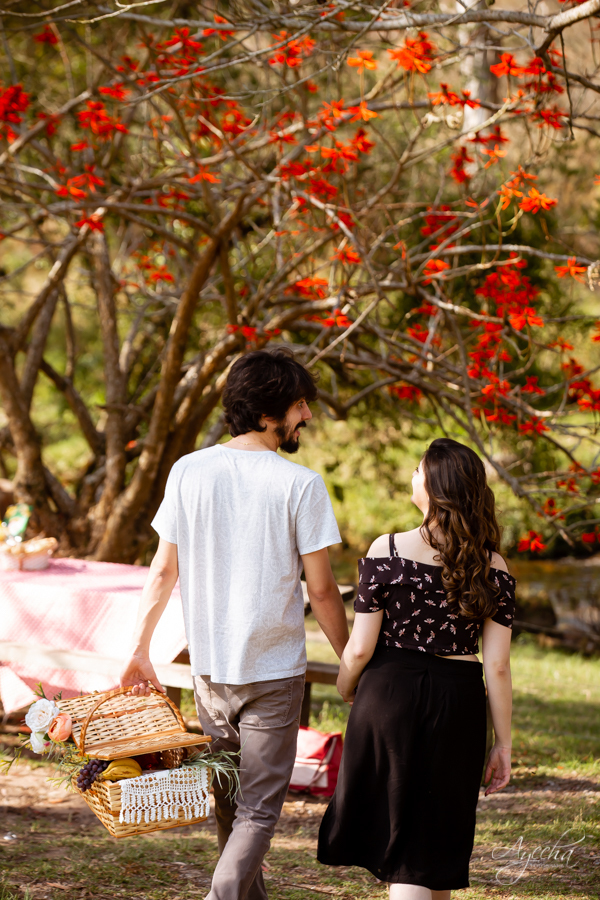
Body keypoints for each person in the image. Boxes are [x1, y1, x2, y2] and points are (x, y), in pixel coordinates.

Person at [120, 348, 349, 900]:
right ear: (271, 413)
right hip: (271, 675)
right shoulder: (300, 484)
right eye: (300, 405)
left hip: (210, 672)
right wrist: (353, 659)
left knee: (233, 808)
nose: (308, 417)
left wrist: (139, 649)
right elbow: (320, 590)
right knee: (257, 813)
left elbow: (162, 571)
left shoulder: (188, 470)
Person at [317, 437, 516, 900]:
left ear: (433, 487)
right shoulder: (493, 565)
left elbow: (360, 649)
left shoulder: (387, 550)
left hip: (389, 695)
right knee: (436, 841)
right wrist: (503, 743)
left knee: (404, 842)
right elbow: (499, 666)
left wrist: (350, 687)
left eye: (417, 470)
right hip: (459, 700)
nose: (412, 476)